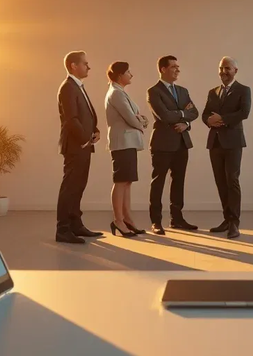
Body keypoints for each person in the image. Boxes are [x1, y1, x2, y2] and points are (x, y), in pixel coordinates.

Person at [147, 55, 200, 234]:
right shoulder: (153, 91)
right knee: (158, 182)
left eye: (178, 66)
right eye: (173, 67)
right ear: (162, 69)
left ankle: (177, 219)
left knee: (179, 182)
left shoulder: (183, 91)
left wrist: (186, 123)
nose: (178, 69)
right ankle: (156, 222)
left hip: (181, 143)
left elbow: (195, 112)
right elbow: (164, 115)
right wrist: (182, 113)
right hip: (162, 144)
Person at [201, 57, 251, 239]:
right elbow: (205, 113)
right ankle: (226, 219)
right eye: (221, 68)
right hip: (215, 143)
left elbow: (244, 112)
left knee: (232, 181)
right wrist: (208, 120)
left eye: (227, 68)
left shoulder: (243, 90)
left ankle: (234, 223)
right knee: (221, 182)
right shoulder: (212, 92)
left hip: (233, 142)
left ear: (235, 70)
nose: (223, 71)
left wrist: (221, 119)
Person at [55, 50, 102, 244]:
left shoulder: (77, 86)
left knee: (79, 186)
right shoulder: (67, 87)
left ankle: (76, 225)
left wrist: (95, 129)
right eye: (85, 63)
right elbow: (71, 119)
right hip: (76, 145)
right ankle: (63, 229)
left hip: (83, 144)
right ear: (74, 66)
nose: (88, 67)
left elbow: (85, 114)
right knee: (70, 187)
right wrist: (86, 137)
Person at [105, 61, 148, 237]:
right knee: (121, 181)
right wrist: (141, 122)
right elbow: (131, 118)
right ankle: (118, 220)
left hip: (128, 143)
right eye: (128, 72)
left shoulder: (121, 92)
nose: (131, 75)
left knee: (127, 181)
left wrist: (141, 120)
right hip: (122, 143)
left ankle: (127, 218)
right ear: (120, 75)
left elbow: (138, 117)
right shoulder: (115, 93)